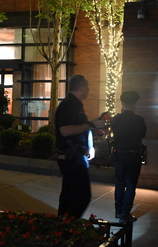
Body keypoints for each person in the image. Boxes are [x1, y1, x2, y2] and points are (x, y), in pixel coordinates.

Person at [55, 74, 106, 219]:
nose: (88, 90)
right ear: (82, 88)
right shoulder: (69, 105)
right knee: (81, 196)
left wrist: (93, 127)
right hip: (72, 158)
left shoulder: (74, 105)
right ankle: (69, 228)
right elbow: (65, 130)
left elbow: (77, 128)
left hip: (74, 157)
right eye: (87, 87)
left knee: (69, 195)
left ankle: (62, 229)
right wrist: (90, 125)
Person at [111, 91, 147, 224]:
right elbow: (142, 135)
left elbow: (114, 132)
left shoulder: (117, 119)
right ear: (135, 103)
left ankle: (118, 210)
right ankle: (125, 214)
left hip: (119, 154)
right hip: (133, 155)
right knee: (131, 184)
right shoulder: (139, 120)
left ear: (123, 103)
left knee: (119, 183)